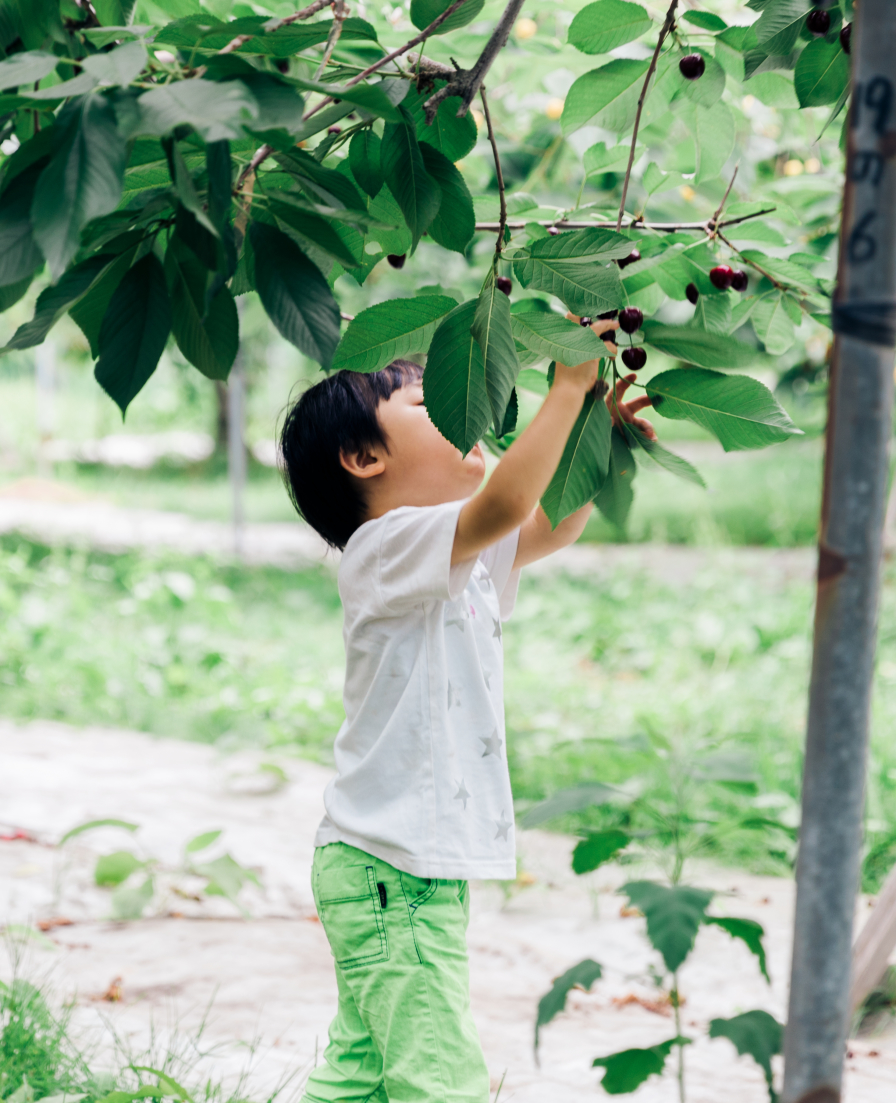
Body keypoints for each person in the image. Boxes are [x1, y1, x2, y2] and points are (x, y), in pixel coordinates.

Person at [277, 324, 654, 1102]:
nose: (470, 409)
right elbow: (508, 500)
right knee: (438, 1078)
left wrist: (592, 431)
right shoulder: (383, 546)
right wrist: (566, 389)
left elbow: (546, 519)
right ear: (364, 457)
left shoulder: (453, 553)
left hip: (405, 864)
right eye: (432, 400)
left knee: (366, 1073)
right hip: (393, 864)